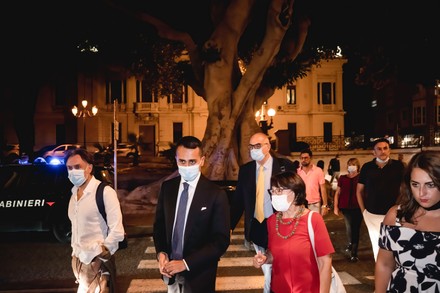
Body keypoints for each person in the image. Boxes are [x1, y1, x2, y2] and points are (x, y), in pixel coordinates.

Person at [153, 136, 230, 293]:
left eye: (192, 162)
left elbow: (220, 241)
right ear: (176, 160)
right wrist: (161, 253)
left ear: (202, 161)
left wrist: (185, 263)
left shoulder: (215, 194)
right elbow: (160, 226)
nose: (187, 166)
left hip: (199, 275)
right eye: (182, 161)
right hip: (170, 272)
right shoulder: (168, 188)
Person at [230, 132, 297, 293]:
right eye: (251, 146)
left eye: (257, 146)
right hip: (257, 227)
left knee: (280, 266)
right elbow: (238, 200)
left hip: (280, 224)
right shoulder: (246, 170)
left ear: (268, 146)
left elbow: (297, 192)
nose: (254, 150)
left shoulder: (283, 166)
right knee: (267, 267)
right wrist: (229, 226)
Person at [253, 171, 334, 292]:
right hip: (277, 288)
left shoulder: (313, 220)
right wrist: (264, 258)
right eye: (273, 191)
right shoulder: (271, 221)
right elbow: (273, 253)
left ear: (296, 192)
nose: (274, 195)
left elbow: (325, 263)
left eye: (279, 190)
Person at [375, 151, 440, 292]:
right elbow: (384, 264)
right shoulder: (396, 216)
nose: (421, 193)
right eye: (415, 184)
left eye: (430, 185)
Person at [65, 148, 125, 293]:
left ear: (89, 168)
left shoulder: (105, 192)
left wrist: (98, 254)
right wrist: (76, 253)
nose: (73, 171)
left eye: (77, 167)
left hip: (98, 266)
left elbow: (117, 232)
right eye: (69, 168)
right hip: (79, 266)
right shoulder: (74, 194)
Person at [356, 138, 405, 261]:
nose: (383, 151)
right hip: (372, 214)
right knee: (377, 246)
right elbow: (359, 191)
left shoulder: (399, 166)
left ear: (389, 150)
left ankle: (395, 276)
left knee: (395, 245)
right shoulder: (367, 167)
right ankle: (381, 277)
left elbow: (405, 189)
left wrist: (400, 207)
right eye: (379, 149)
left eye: (385, 148)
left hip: (394, 213)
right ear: (374, 152)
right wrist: (364, 212)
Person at [333, 158, 362, 262]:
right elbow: (337, 193)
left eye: (354, 164)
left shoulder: (361, 178)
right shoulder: (342, 178)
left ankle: (354, 252)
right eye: (350, 164)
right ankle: (351, 243)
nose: (351, 166)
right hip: (345, 207)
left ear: (358, 166)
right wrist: (335, 207)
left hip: (358, 207)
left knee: (356, 229)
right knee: (349, 227)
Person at [297, 149, 329, 216]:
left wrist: (324, 205)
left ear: (311, 158)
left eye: (306, 158)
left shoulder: (318, 171)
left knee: (314, 225)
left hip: (315, 204)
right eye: (302, 158)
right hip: (301, 204)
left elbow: (323, 188)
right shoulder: (297, 172)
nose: (303, 160)